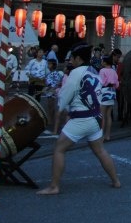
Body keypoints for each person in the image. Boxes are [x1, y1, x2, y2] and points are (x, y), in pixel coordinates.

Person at [37, 44, 119, 195]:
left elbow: (66, 95)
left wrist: (60, 106)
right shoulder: (94, 72)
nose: (70, 61)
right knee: (100, 150)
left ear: (78, 59)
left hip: (81, 118)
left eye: (72, 58)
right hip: (95, 118)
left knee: (59, 148)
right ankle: (115, 180)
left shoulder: (76, 73)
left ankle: (54, 186)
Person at [98, 56, 119, 142]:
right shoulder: (114, 71)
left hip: (104, 92)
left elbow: (101, 82)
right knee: (108, 115)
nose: (101, 62)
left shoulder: (102, 70)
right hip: (112, 92)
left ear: (105, 62)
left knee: (102, 115)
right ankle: (108, 135)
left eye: (102, 61)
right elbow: (117, 84)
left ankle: (101, 136)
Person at [43, 59, 65, 135]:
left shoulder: (55, 73)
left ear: (53, 65)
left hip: (53, 93)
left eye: (49, 64)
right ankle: (51, 121)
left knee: (53, 108)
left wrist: (52, 88)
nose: (48, 66)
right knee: (50, 107)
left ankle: (53, 123)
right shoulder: (49, 73)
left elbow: (57, 82)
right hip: (49, 92)